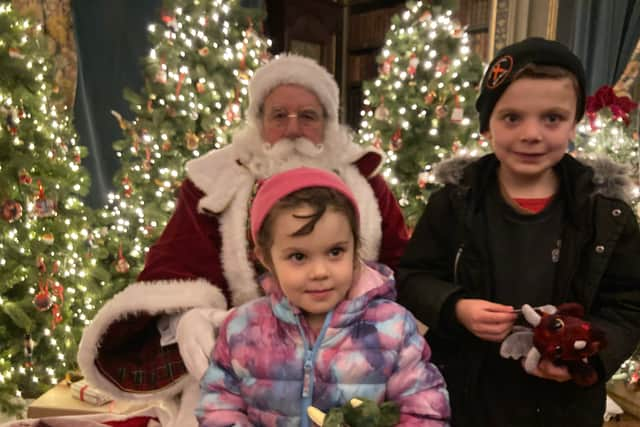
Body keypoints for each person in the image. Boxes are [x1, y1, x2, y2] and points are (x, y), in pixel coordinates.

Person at [78, 54, 409, 427]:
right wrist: (190, 320)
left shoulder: (367, 186)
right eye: (279, 115)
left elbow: (404, 272)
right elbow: (174, 269)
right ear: (259, 122)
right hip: (237, 368)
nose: (293, 128)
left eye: (308, 116)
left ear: (329, 125)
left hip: (349, 372)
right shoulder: (212, 185)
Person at [396, 37, 640, 427]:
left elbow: (629, 305)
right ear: (487, 124)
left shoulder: (607, 214)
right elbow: (412, 276)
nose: (532, 133)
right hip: (466, 393)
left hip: (564, 403)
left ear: (574, 121)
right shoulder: (455, 203)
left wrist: (589, 356)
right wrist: (455, 306)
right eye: (512, 118)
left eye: (552, 118)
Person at [196, 166, 450, 427]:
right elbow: (219, 404)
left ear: (355, 247)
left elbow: (425, 411)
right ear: (266, 258)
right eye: (298, 256)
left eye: (335, 252)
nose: (320, 272)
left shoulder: (392, 327)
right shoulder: (243, 328)